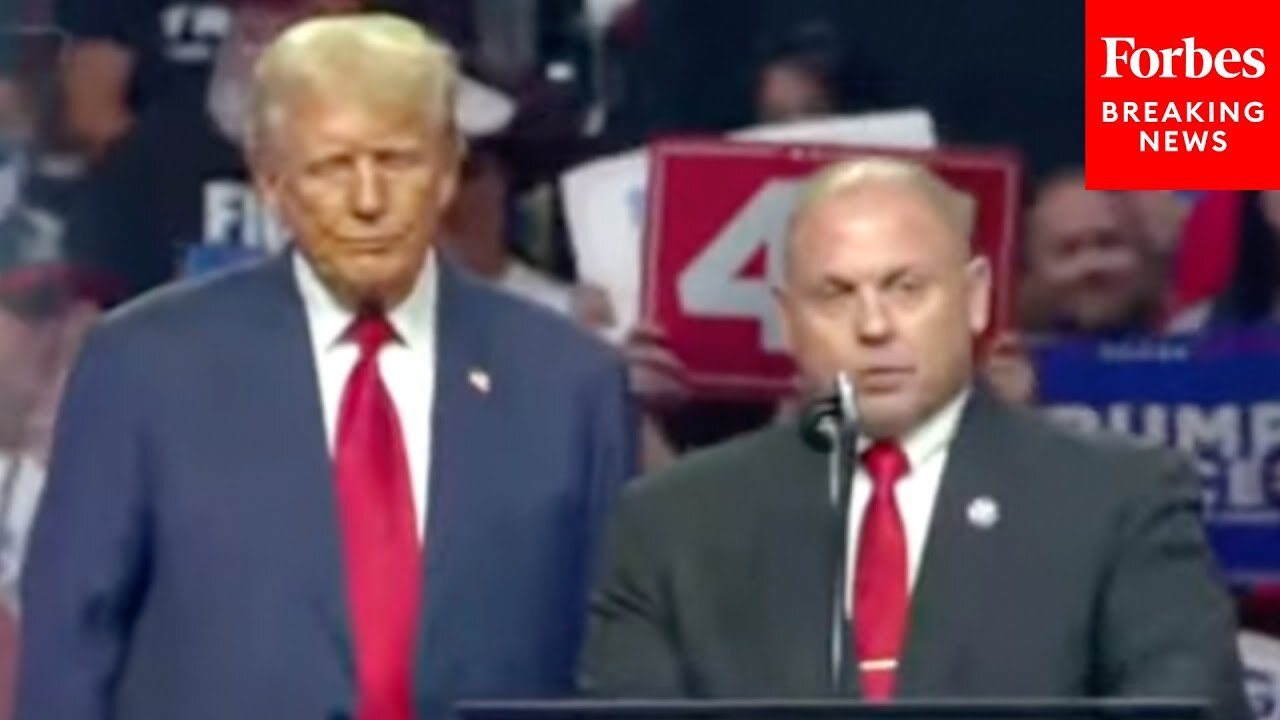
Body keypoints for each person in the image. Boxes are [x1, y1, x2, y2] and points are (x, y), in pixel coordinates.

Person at [17, 14, 636, 720]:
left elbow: (617, 668)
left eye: (397, 160)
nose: (368, 201)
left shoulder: (570, 385)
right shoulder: (143, 369)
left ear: (447, 169)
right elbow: (69, 648)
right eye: (331, 167)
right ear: (272, 181)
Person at [578, 156, 1248, 719]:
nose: (874, 326)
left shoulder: (1121, 500)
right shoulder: (671, 525)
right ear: (789, 321)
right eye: (836, 294)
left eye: (906, 287)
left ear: (977, 297)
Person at [1018, 168, 1166, 337]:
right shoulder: (1000, 357)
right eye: (1069, 251)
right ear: (1032, 275)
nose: (1092, 265)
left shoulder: (1195, 348)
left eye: (1107, 243)